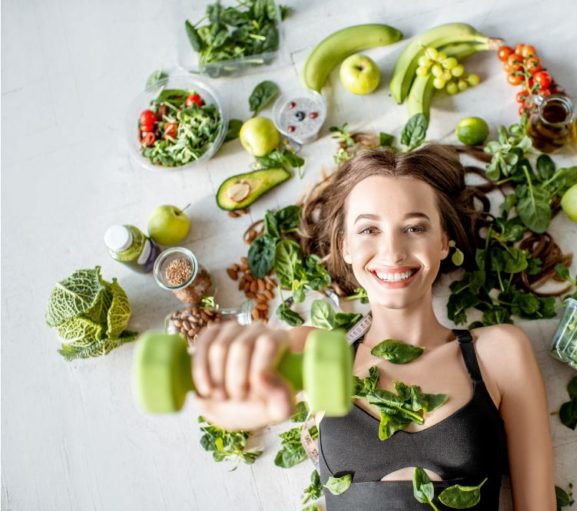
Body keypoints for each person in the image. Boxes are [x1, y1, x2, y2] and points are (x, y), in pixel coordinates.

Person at [192, 144, 556, 510]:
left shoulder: (498, 353)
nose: (393, 251)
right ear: (346, 247)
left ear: (444, 242)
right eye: (369, 229)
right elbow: (225, 402)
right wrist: (249, 397)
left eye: (414, 227)